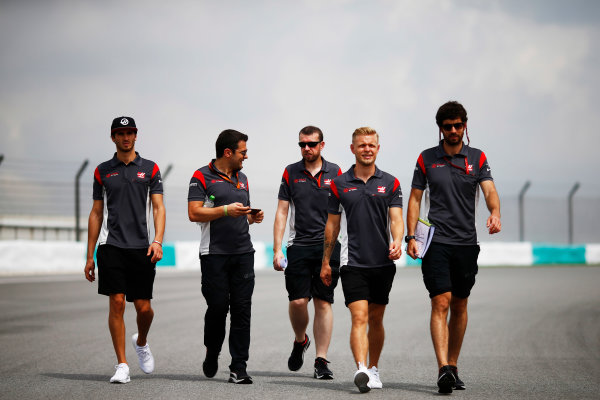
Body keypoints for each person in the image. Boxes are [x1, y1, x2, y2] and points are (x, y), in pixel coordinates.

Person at [406, 101, 501, 394]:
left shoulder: (477, 157)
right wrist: (410, 236)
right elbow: (414, 198)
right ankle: (443, 369)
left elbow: (489, 190)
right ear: (440, 129)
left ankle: (454, 364)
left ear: (465, 126)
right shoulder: (426, 159)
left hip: (466, 244)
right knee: (441, 301)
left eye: (458, 125)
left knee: (460, 304)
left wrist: (494, 212)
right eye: (448, 127)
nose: (453, 131)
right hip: (436, 242)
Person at [320, 127, 404, 393]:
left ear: (377, 148)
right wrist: (325, 261)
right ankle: (361, 369)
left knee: (376, 319)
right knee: (359, 317)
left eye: (371, 145)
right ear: (352, 149)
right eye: (361, 145)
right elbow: (332, 226)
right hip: (352, 263)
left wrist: (397, 241)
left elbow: (397, 219)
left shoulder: (391, 183)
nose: (366, 149)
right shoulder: (339, 184)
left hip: (382, 263)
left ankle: (374, 368)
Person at [84, 116, 166, 384]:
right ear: (113, 137)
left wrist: (158, 241)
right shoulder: (102, 171)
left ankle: (141, 341)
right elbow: (96, 214)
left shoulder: (151, 169)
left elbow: (158, 207)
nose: (125, 137)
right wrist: (89, 256)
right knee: (117, 302)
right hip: (111, 246)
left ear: (136, 135)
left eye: (130, 132)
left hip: (142, 247)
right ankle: (122, 365)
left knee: (144, 309)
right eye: (120, 133)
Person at [188, 129, 264, 385]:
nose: (246, 156)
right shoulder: (201, 176)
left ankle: (238, 367)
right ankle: (212, 350)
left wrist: (251, 217)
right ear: (228, 152)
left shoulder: (243, 177)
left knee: (242, 311)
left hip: (244, 253)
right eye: (243, 152)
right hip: (214, 255)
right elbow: (194, 213)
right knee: (218, 307)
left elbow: (238, 213)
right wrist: (224, 210)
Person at [273, 126, 342, 380]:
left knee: (323, 302)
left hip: (329, 247)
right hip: (298, 245)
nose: (307, 149)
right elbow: (282, 211)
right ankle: (300, 340)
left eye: (311, 144)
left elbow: (348, 207)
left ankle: (321, 360)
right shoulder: (291, 172)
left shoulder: (336, 172)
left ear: (322, 145)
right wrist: (277, 248)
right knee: (298, 301)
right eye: (302, 144)